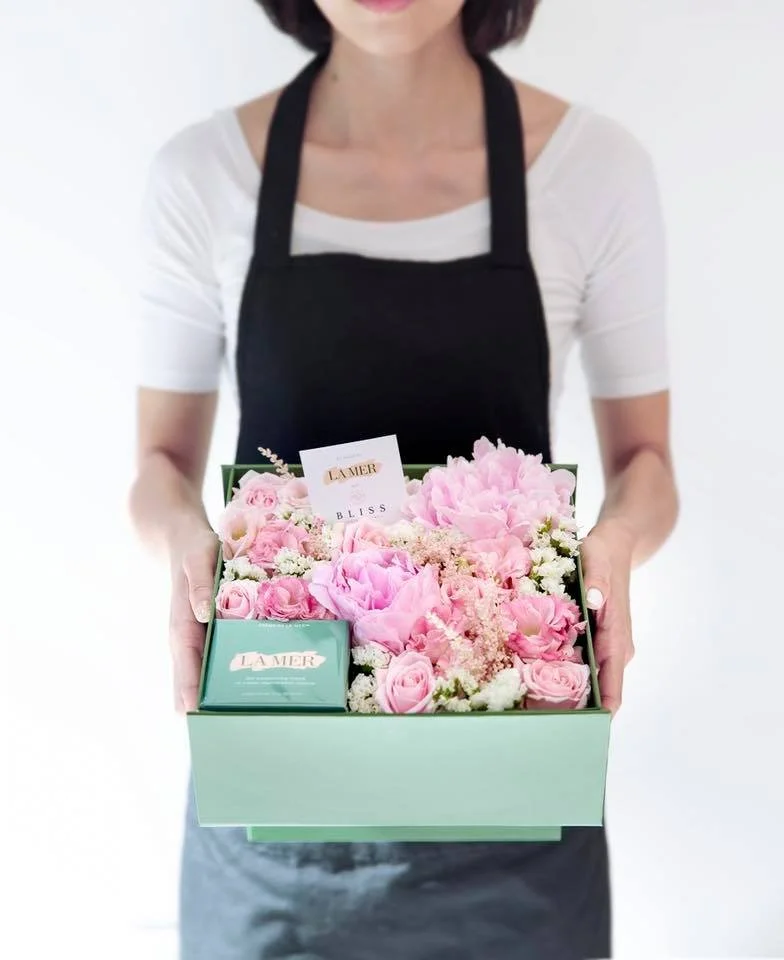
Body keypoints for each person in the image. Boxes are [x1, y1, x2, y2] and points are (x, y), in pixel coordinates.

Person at [129, 0, 679, 956]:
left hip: (515, 799)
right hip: (275, 794)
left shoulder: (593, 170)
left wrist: (612, 549)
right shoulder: (204, 175)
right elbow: (160, 467)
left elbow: (646, 465)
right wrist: (186, 543)